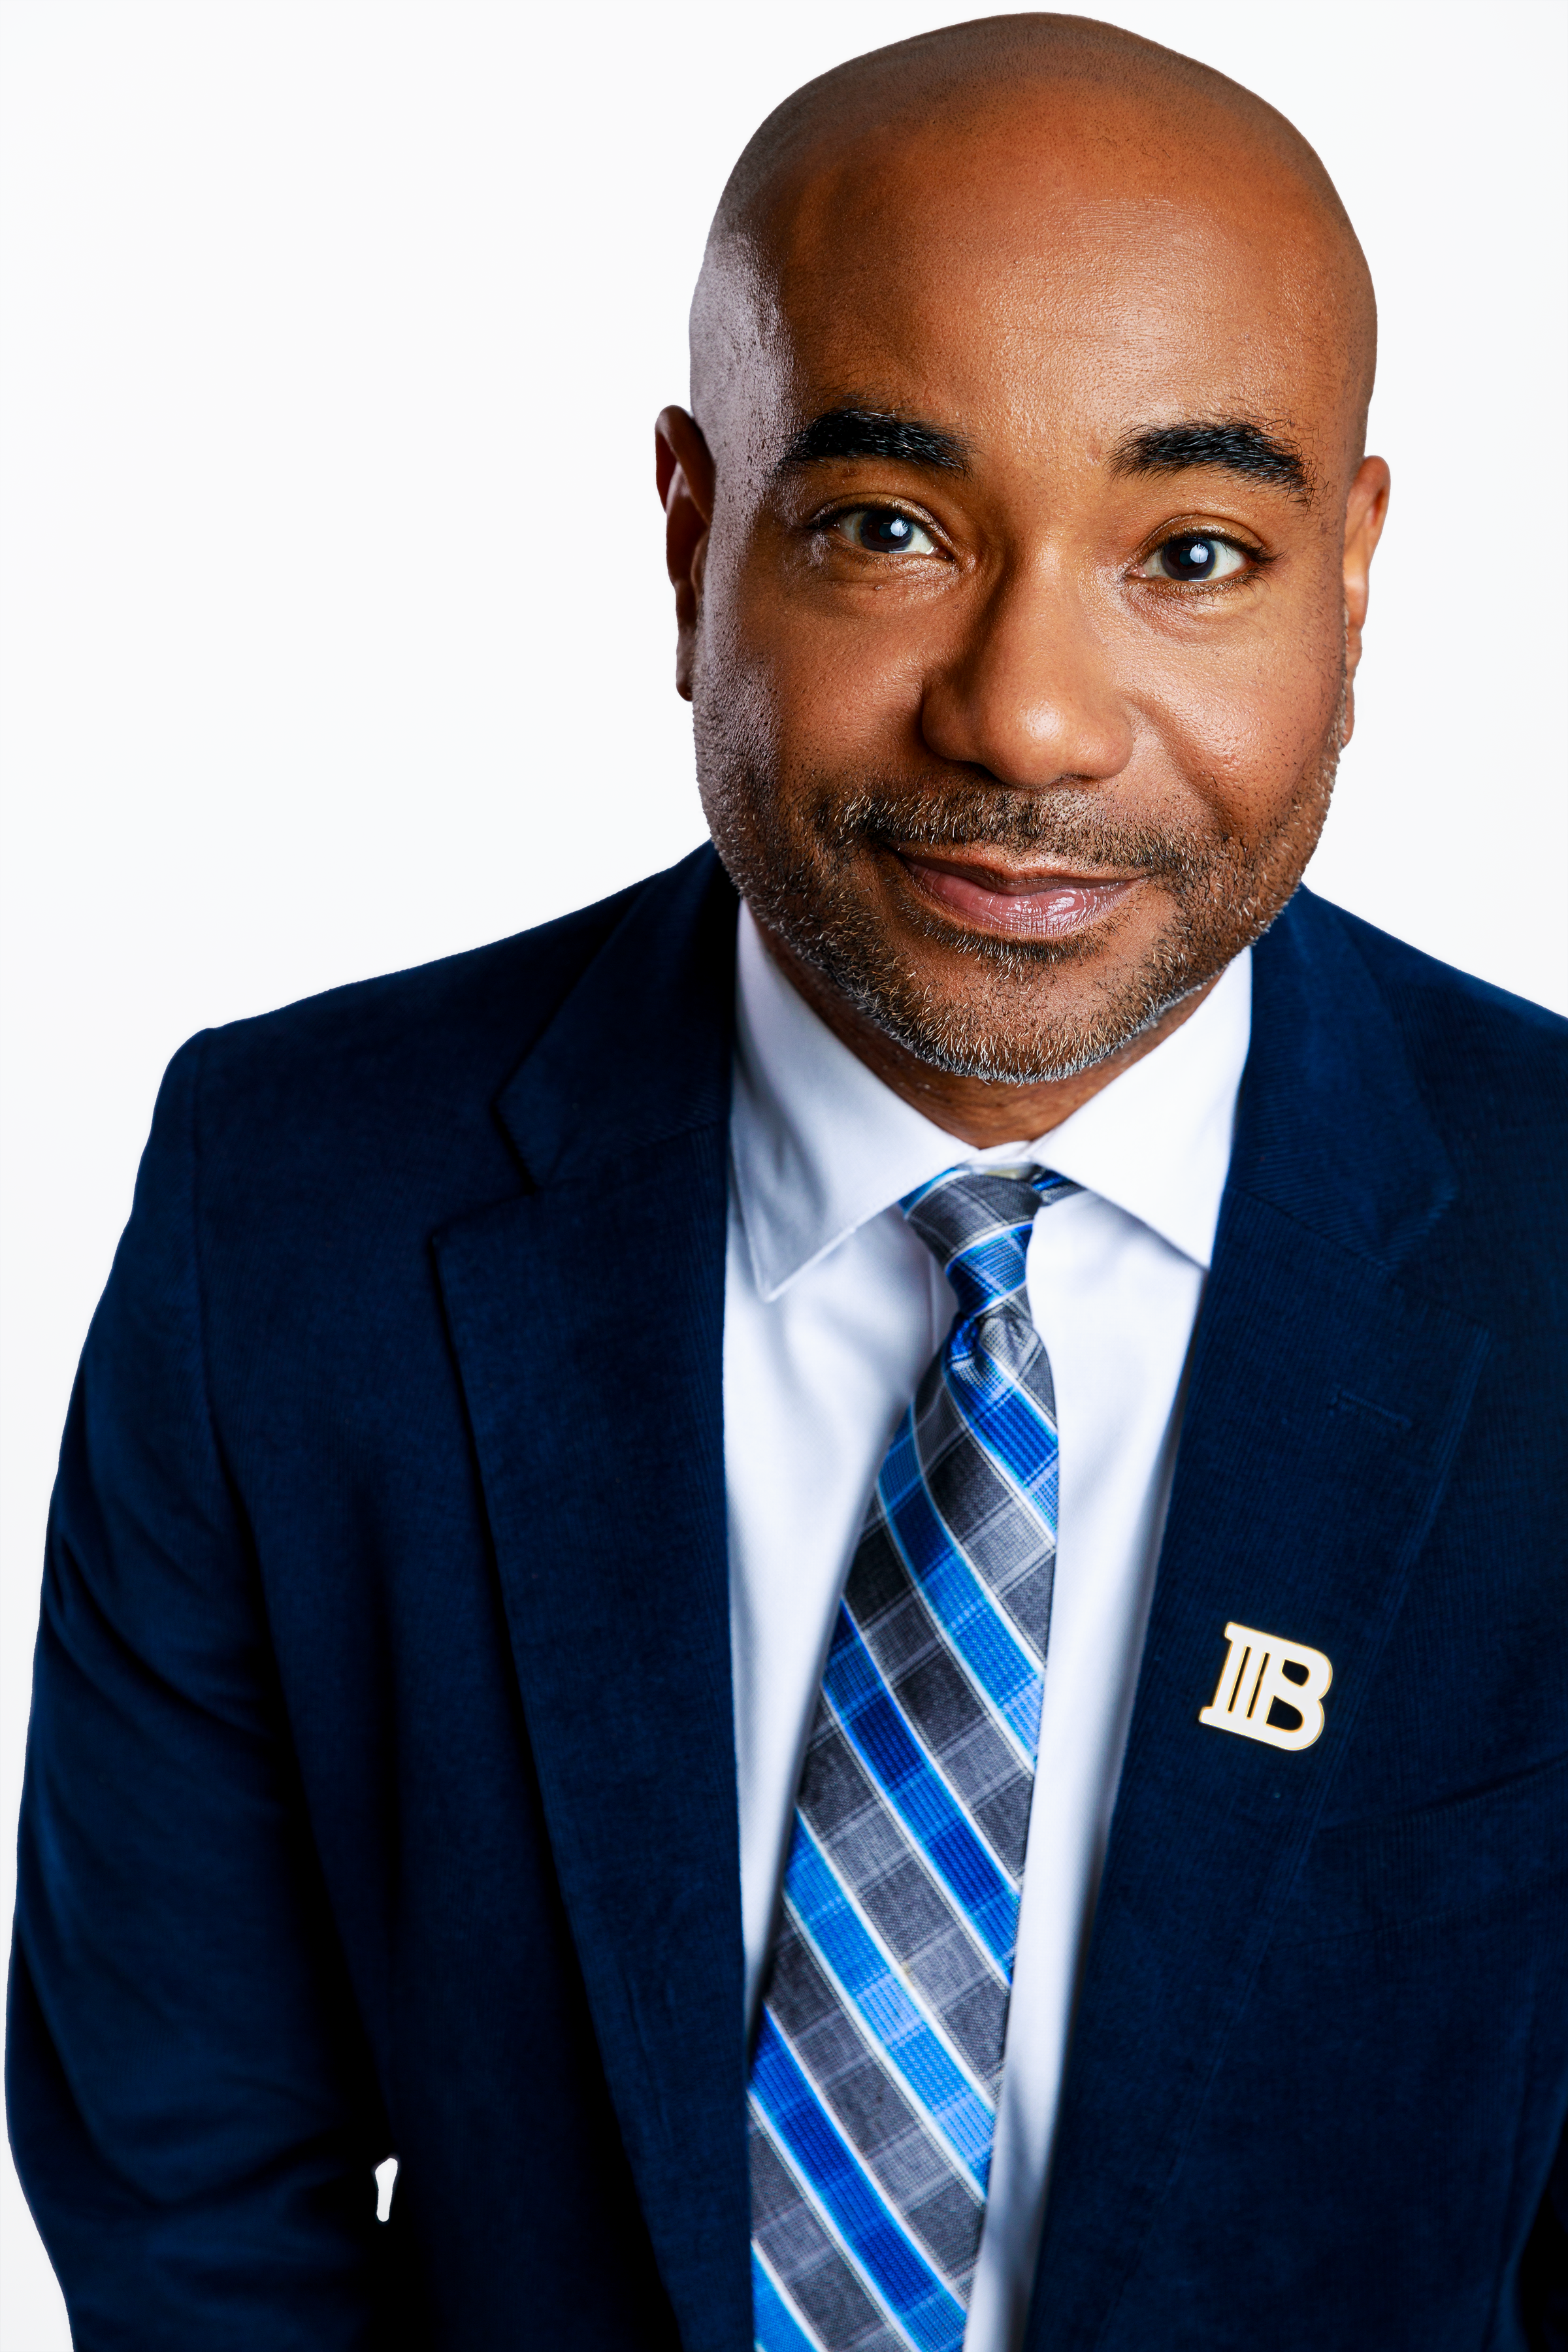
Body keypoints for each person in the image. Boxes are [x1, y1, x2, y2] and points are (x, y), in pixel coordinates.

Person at [8, 12, 1566, 2347]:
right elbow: (190, 2175)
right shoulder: (290, 1211)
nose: (1028, 718)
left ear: (1353, 574)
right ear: (690, 532)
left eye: (1197, 549)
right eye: (890, 527)